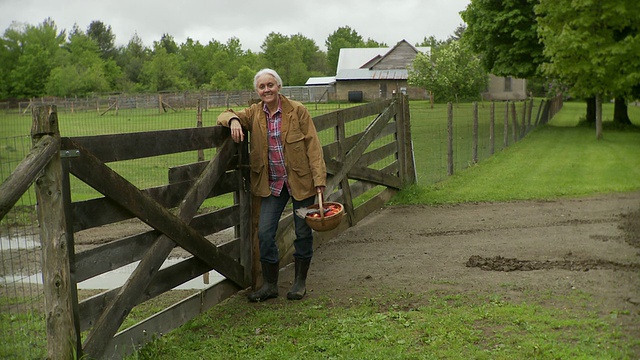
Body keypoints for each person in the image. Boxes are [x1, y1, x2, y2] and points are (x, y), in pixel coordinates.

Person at [217, 68, 326, 302]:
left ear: (279, 87)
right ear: (257, 91)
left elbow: (314, 148)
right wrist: (235, 120)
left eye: (270, 85)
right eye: (262, 87)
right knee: (265, 233)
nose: (266, 90)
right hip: (272, 186)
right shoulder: (254, 113)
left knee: (303, 231)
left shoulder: (298, 111)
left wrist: (319, 182)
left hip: (301, 183)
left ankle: (299, 283)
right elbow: (223, 115)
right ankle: (269, 285)